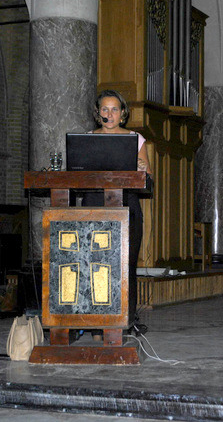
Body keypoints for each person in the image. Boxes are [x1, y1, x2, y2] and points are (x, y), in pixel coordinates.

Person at [82, 90, 152, 338]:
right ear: (98, 112)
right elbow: (79, 173)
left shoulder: (135, 139)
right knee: (94, 264)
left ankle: (125, 323)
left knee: (125, 265)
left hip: (126, 205)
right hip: (94, 204)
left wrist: (142, 170)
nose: (109, 114)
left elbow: (148, 178)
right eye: (105, 109)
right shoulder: (87, 139)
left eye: (114, 109)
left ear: (122, 113)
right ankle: (96, 325)